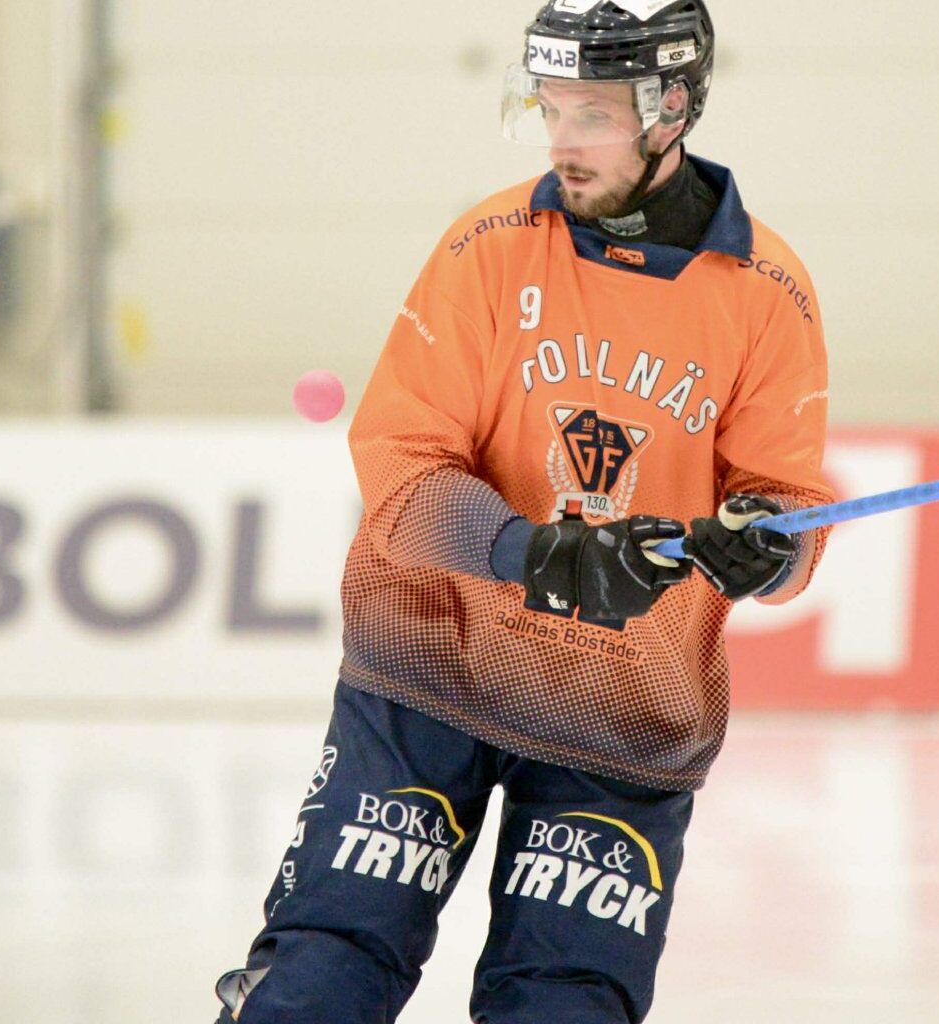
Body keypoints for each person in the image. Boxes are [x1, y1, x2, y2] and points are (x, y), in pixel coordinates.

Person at [214, 2, 833, 1020]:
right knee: (323, 973)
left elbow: (791, 511)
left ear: (671, 108)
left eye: (592, 114)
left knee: (563, 1005)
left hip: (619, 704)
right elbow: (403, 474)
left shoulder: (769, 291)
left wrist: (764, 548)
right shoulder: (490, 248)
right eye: (550, 109)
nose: (562, 141)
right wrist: (534, 551)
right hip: (430, 663)